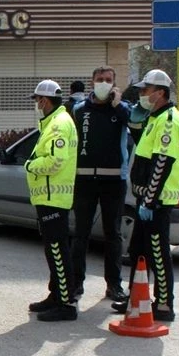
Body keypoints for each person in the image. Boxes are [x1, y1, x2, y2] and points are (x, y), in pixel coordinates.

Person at [112, 69, 179, 323]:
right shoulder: (155, 118)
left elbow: (161, 164)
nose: (142, 94)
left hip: (158, 201)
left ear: (160, 93)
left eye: (146, 90)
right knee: (138, 251)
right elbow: (142, 148)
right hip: (147, 198)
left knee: (158, 252)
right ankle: (137, 298)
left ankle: (164, 304)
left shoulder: (169, 121)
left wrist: (150, 200)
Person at [70, 66, 132, 303]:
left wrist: (119, 104)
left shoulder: (121, 109)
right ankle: (76, 284)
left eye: (108, 80)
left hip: (114, 181)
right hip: (84, 179)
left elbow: (137, 125)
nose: (103, 83)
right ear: (92, 82)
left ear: (114, 83)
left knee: (113, 234)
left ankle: (114, 285)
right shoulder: (79, 109)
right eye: (100, 80)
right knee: (80, 234)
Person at [25, 79, 79, 322]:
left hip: (53, 197)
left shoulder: (58, 125)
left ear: (44, 100)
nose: (36, 104)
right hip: (49, 197)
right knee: (53, 250)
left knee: (58, 251)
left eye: (37, 100)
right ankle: (56, 295)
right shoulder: (54, 122)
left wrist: (30, 165)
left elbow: (55, 162)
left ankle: (66, 304)